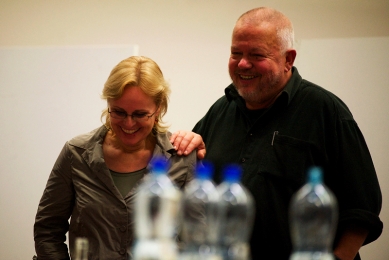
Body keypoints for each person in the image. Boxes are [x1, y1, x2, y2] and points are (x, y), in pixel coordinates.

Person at [171, 7, 383, 260]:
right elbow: (192, 188)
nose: (242, 63)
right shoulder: (220, 110)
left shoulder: (325, 111)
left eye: (256, 55)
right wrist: (190, 144)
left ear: (288, 59)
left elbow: (362, 209)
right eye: (235, 53)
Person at [33, 56, 197, 260]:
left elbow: (196, 238)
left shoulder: (181, 159)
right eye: (118, 112)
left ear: (158, 109)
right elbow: (47, 230)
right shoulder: (76, 153)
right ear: (108, 104)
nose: (128, 124)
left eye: (139, 114)